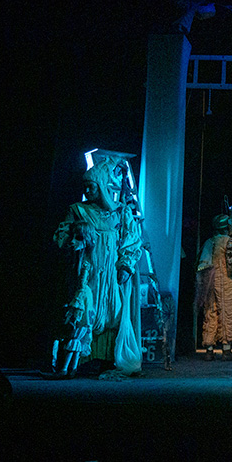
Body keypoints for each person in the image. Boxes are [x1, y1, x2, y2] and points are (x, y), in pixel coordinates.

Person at [53, 157, 143, 376]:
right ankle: (78, 359)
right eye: (85, 187)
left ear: (101, 186)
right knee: (86, 311)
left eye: (91, 186)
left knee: (113, 311)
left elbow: (132, 240)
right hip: (87, 270)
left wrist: (125, 265)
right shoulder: (78, 210)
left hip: (111, 272)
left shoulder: (119, 212)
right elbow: (61, 236)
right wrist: (75, 236)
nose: (87, 190)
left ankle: (107, 357)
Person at [42, 222, 96, 379]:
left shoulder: (84, 262)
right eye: (73, 237)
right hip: (81, 298)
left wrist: (74, 305)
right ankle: (70, 369)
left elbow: (82, 285)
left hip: (81, 299)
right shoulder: (76, 260)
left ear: (86, 240)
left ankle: (65, 369)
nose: (72, 241)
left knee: (75, 332)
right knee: (76, 334)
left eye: (78, 238)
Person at [195, 214, 232, 361]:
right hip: (225, 282)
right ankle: (226, 350)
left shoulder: (209, 242)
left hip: (209, 283)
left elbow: (200, 265)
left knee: (210, 313)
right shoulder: (230, 242)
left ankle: (209, 350)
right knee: (227, 313)